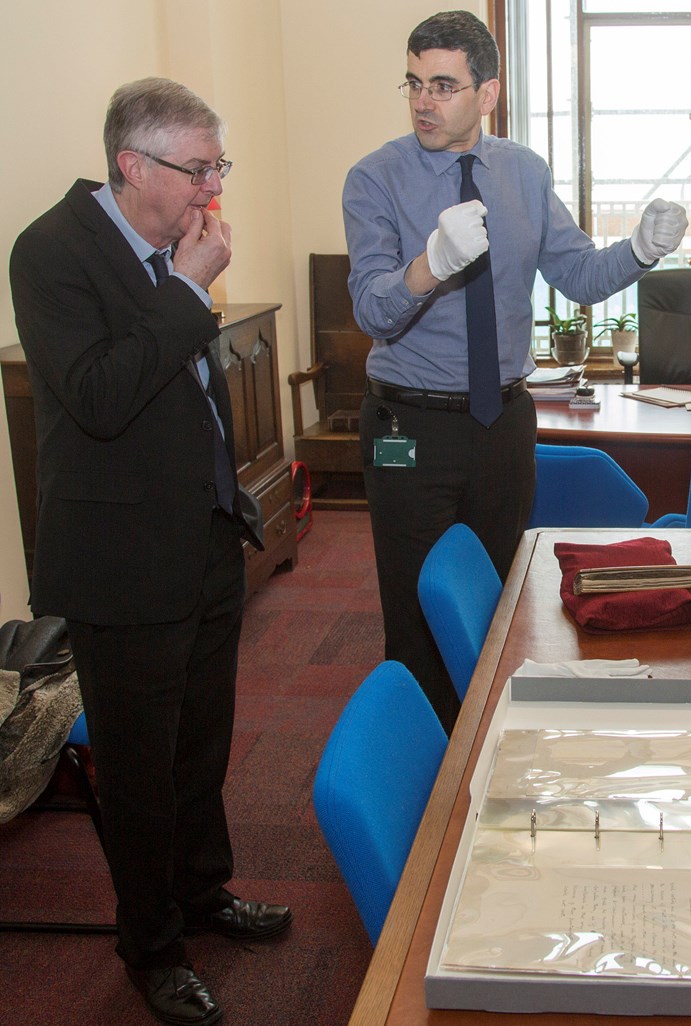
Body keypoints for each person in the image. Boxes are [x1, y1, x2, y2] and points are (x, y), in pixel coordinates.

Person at [9, 77, 291, 1026]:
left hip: (204, 534)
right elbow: (97, 396)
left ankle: (203, 892)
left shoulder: (174, 240)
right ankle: (153, 947)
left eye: (220, 166)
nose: (213, 188)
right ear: (133, 166)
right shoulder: (51, 254)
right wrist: (185, 290)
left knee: (201, 745)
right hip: (122, 561)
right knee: (137, 765)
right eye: (197, 169)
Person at [343, 10, 686, 730]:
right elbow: (373, 311)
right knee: (415, 616)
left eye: (444, 85)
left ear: (488, 93)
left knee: (493, 602)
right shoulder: (376, 178)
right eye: (413, 84)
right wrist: (430, 266)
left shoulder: (523, 173)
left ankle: (488, 745)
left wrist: (640, 252)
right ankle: (425, 785)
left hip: (501, 420)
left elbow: (580, 275)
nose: (423, 102)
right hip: (409, 424)